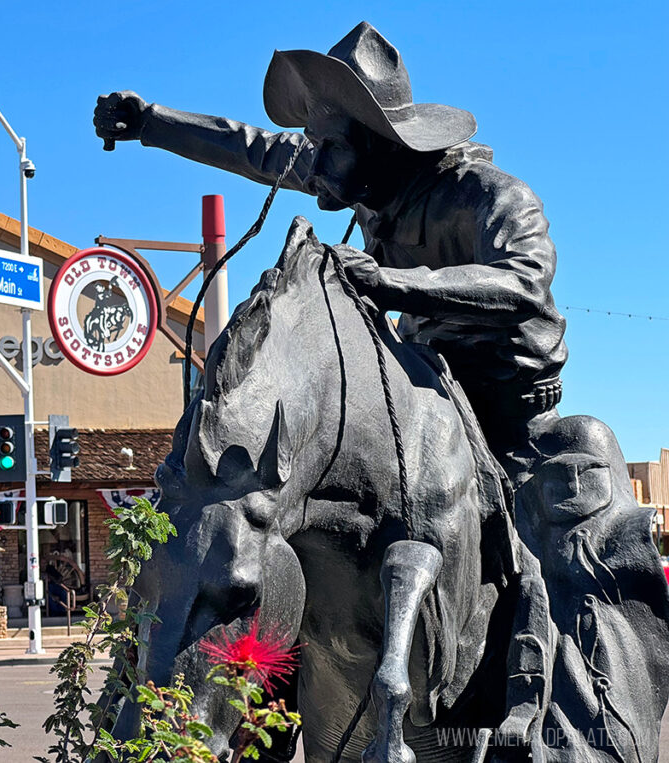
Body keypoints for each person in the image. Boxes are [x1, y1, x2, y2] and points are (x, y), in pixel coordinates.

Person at [93, 21, 567, 480]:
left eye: (331, 145)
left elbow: (523, 282)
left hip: (510, 414)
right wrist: (151, 122)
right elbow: (254, 149)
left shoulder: (490, 196)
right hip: (428, 397)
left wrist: (389, 284)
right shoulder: (352, 173)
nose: (313, 161)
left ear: (384, 146)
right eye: (312, 142)